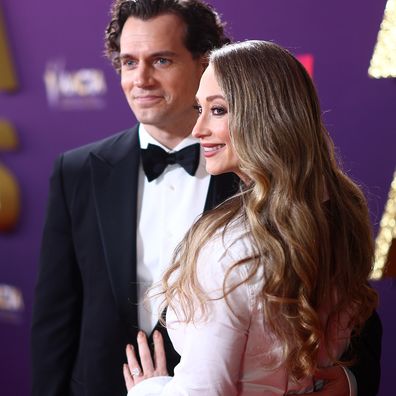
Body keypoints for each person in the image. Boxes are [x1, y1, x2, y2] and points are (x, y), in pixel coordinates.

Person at [30, 1, 380, 395]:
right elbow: (55, 319)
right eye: (128, 62)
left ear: (203, 62)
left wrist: (349, 383)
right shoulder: (77, 170)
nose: (140, 79)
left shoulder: (266, 181)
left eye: (161, 60)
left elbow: (351, 314)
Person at [122, 40, 379, 395]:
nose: (197, 130)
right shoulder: (336, 211)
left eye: (218, 110)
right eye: (200, 108)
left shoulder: (228, 246)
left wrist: (147, 389)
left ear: (265, 115)